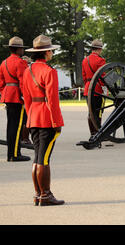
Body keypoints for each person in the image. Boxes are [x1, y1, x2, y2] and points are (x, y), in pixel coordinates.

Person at [22, 35, 64, 206]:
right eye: (51, 51)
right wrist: (57, 123)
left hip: (33, 117)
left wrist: (29, 118)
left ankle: (38, 194)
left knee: (38, 157)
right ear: (46, 53)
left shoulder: (27, 71)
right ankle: (45, 195)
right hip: (47, 119)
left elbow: (26, 98)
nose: (52, 54)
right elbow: (52, 101)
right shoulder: (49, 71)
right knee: (44, 159)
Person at [0, 36, 31, 162]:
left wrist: (5, 93)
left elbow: (1, 83)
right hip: (17, 96)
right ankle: (14, 154)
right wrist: (25, 97)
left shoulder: (4, 62)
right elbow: (23, 82)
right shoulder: (20, 62)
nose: (22, 51)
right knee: (18, 126)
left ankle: (12, 152)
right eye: (22, 49)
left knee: (11, 126)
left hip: (8, 95)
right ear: (18, 49)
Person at [82, 39, 106, 138]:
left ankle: (92, 133)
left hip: (88, 87)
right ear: (99, 49)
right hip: (97, 89)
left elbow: (84, 76)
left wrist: (87, 85)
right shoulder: (100, 60)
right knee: (98, 112)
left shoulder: (85, 60)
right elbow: (102, 76)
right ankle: (98, 133)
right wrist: (105, 89)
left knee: (90, 112)